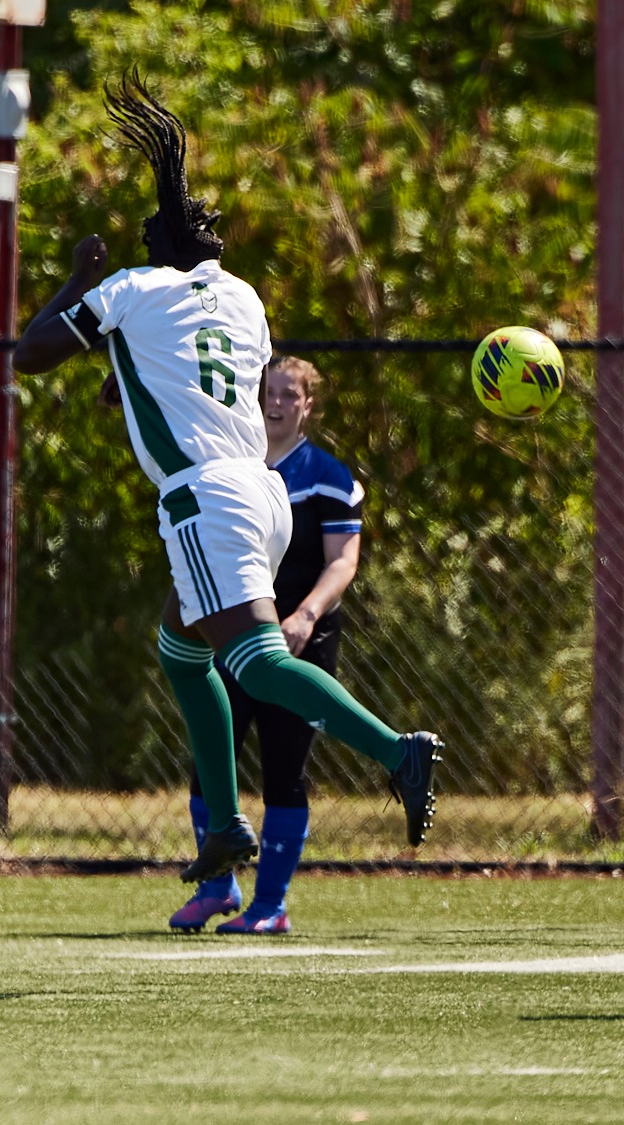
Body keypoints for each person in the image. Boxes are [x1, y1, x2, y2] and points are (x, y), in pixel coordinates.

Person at [10, 76, 443, 887]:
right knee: (182, 650)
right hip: (262, 493)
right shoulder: (243, 298)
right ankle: (225, 823)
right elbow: (189, 375)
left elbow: (30, 353)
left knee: (255, 662)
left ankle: (397, 750)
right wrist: (125, 379)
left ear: (159, 249)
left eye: (150, 240)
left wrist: (78, 280)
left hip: (205, 500)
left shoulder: (132, 287)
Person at [168, 356, 367, 934]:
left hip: (299, 641)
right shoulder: (235, 467)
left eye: (288, 394)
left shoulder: (327, 475)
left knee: (284, 769)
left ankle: (270, 906)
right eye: (268, 392)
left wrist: (305, 615)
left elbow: (343, 561)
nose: (275, 403)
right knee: (211, 762)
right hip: (233, 632)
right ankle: (217, 886)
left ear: (308, 406)